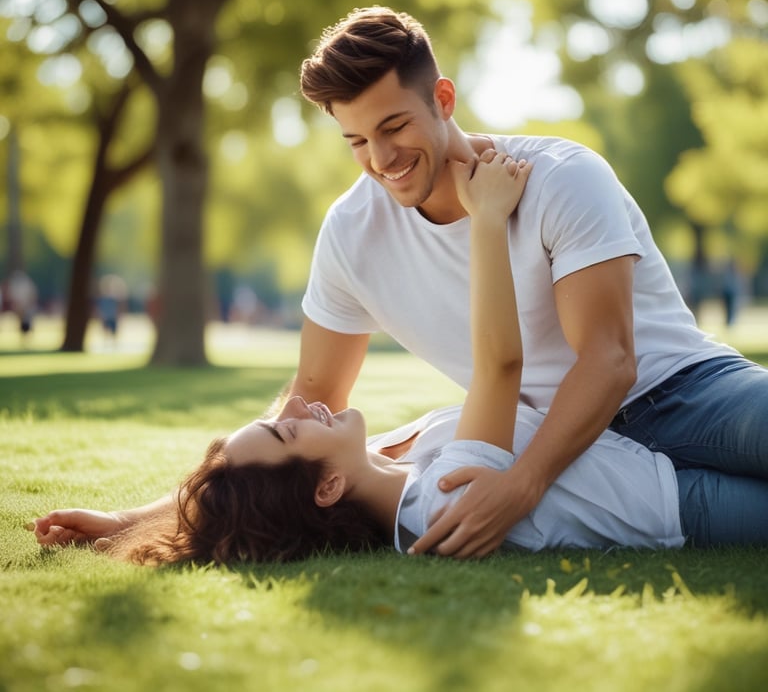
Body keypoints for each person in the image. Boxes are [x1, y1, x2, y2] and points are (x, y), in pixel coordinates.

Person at [29, 155, 768, 564]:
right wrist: (487, 221)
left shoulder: (390, 469)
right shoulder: (437, 499)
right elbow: (500, 368)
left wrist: (130, 521)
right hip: (678, 505)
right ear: (327, 490)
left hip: (666, 422)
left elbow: (251, 482)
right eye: (290, 429)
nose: (300, 408)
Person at [287, 5, 768, 559]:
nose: (381, 158)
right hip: (577, 456)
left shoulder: (563, 178)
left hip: (688, 393)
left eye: (394, 127)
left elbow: (608, 358)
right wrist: (194, 506)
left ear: (443, 100)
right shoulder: (351, 234)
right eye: (357, 141)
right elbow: (315, 395)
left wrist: (523, 484)